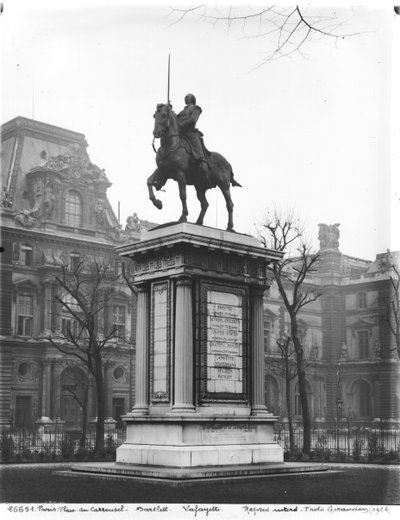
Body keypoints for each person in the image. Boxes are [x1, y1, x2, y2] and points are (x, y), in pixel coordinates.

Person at [177, 94, 210, 185]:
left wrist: (181, 125)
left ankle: (202, 161)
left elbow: (192, 120)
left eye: (188, 96)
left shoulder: (196, 108)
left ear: (192, 99)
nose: (185, 97)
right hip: (180, 133)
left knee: (195, 141)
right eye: (185, 96)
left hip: (190, 132)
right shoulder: (182, 111)